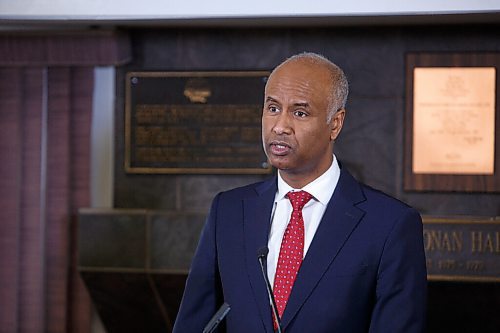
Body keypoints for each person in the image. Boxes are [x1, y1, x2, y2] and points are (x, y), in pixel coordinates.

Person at [173, 52, 427, 332]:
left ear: (335, 124)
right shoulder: (229, 210)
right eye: (272, 108)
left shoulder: (390, 224)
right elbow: (193, 324)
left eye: (300, 112)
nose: (280, 126)